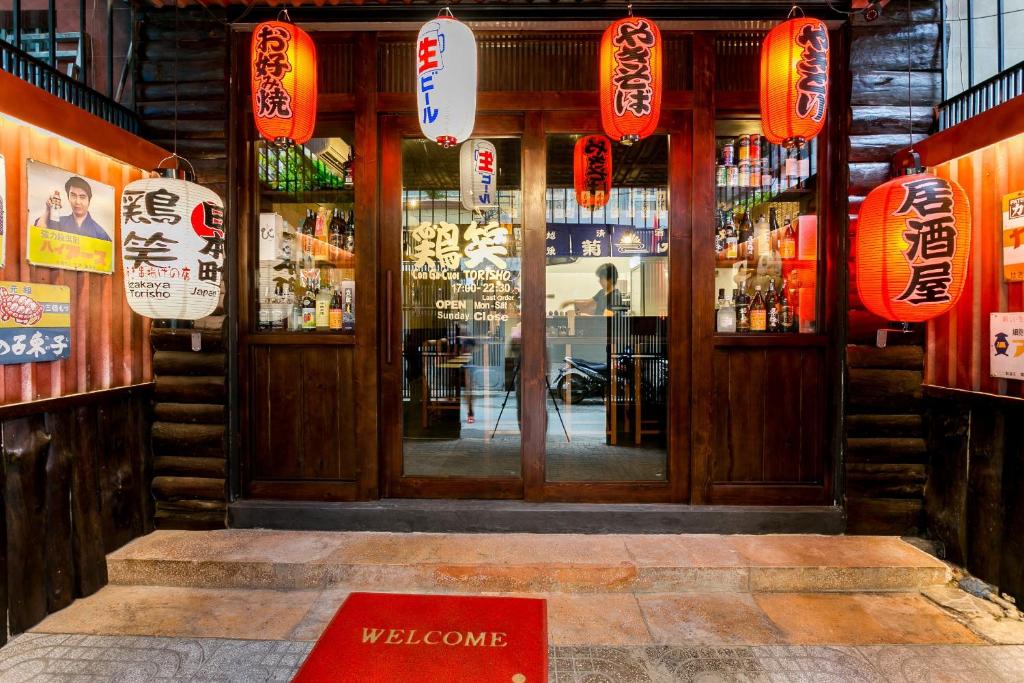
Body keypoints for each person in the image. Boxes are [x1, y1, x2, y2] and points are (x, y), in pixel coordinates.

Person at [34, 176, 111, 241]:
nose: (77, 202)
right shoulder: (57, 222)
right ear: (68, 197)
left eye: (82, 197)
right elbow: (38, 233)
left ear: (89, 200)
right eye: (73, 196)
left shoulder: (100, 233)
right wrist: (48, 209)